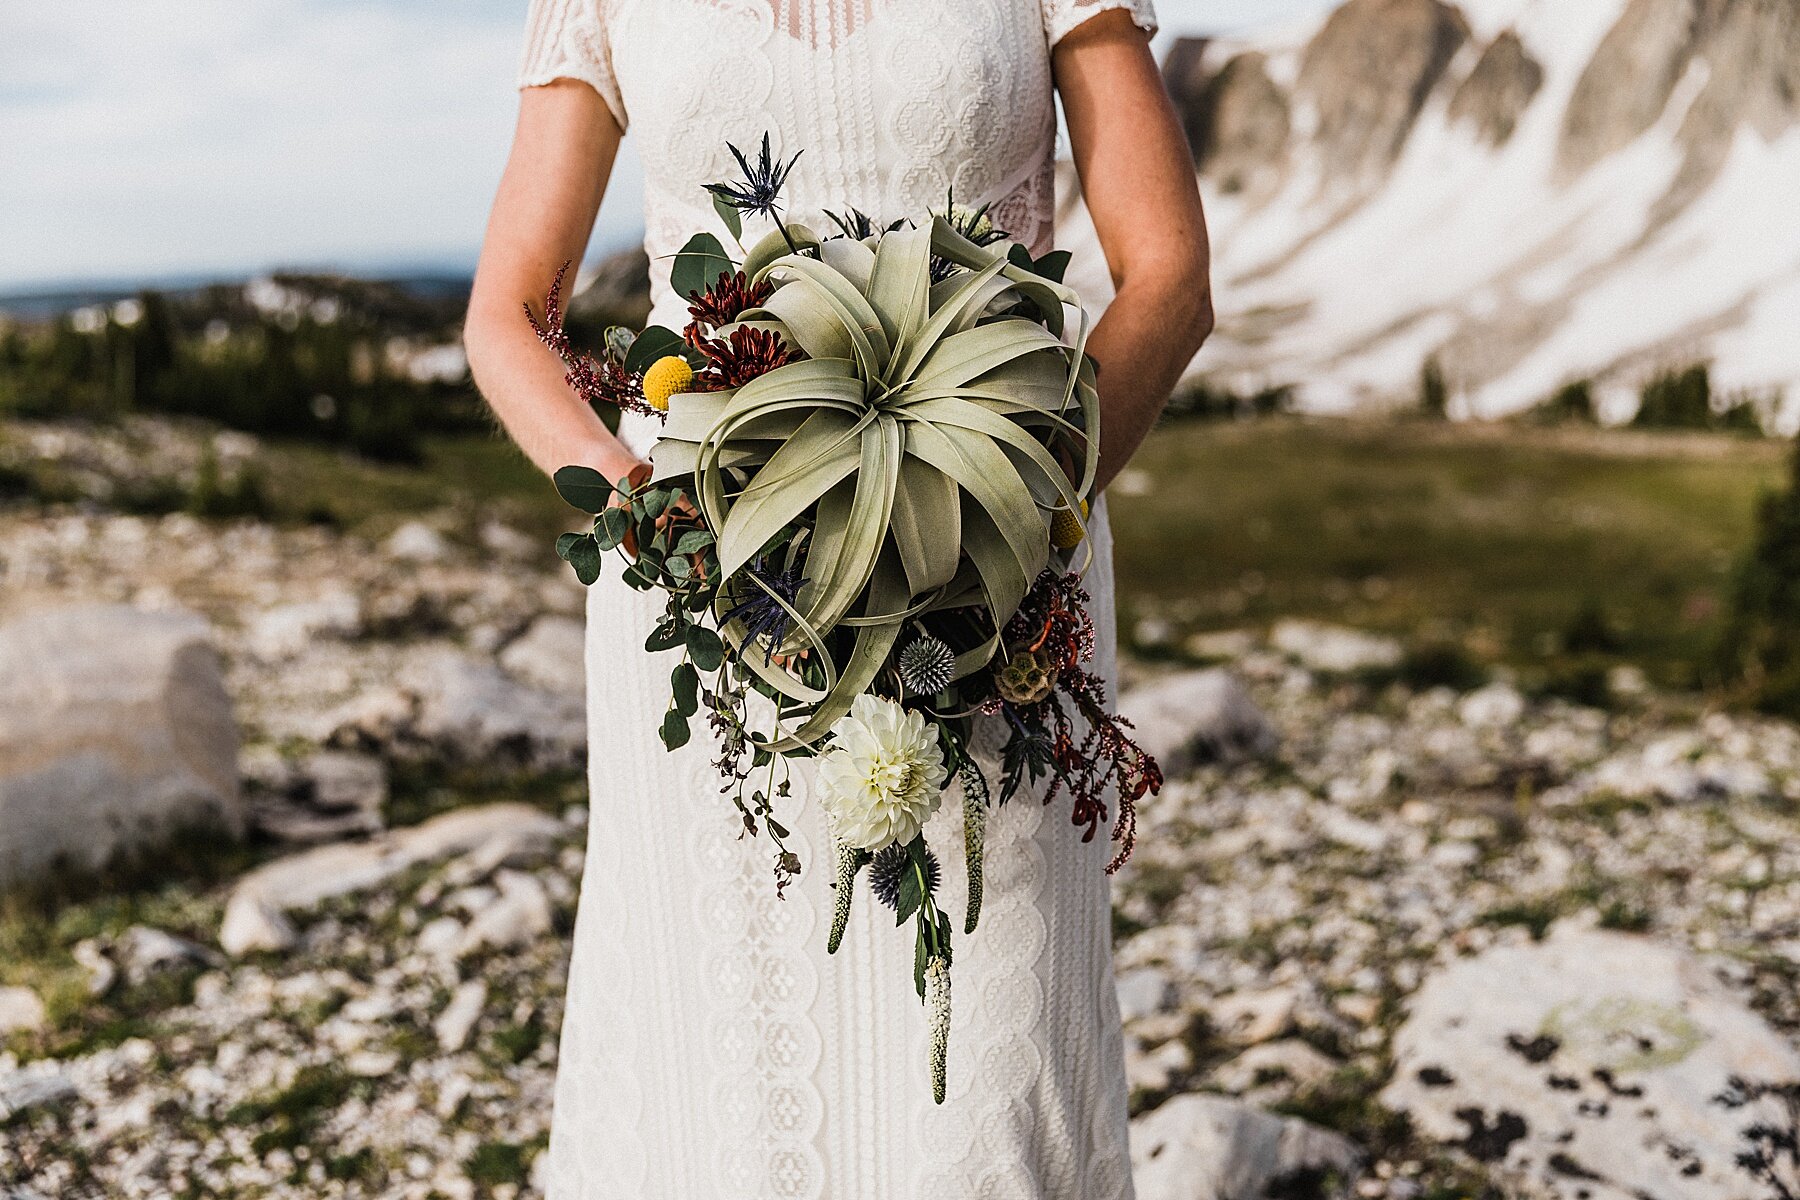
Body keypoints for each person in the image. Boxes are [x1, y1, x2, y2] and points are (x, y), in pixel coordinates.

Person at [464, 2, 1212, 1195]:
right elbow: (508, 315)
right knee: (720, 1066)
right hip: (707, 600)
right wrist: (664, 529)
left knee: (985, 1072)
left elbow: (1168, 276)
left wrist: (1013, 523)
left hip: (1002, 583)